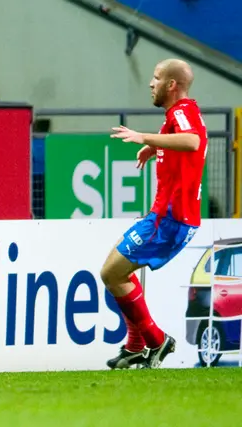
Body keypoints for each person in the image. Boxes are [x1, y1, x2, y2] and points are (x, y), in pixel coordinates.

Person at [104, 58, 208, 369]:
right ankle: (137, 346)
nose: (151, 83)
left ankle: (157, 340)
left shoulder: (181, 111)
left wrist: (144, 138)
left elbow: (192, 141)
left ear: (171, 85)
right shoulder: (179, 115)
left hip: (170, 220)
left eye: (157, 77)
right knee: (119, 271)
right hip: (165, 217)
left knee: (111, 273)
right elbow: (189, 142)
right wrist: (157, 148)